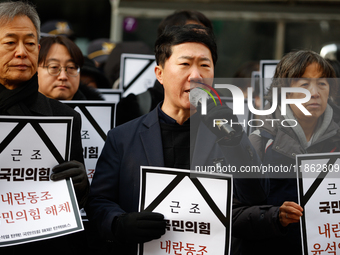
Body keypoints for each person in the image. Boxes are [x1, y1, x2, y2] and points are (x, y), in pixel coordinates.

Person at [85, 24, 268, 255]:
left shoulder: (229, 134)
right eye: (184, 64)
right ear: (159, 74)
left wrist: (233, 139)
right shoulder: (122, 138)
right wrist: (119, 223)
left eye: (204, 65)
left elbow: (257, 195)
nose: (196, 76)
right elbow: (99, 201)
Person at [0, 1, 88, 254]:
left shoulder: (64, 117)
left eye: (29, 43)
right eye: (10, 43)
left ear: (38, 50)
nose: (21, 52)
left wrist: (80, 186)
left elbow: (76, 207)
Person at [232, 50, 340, 255]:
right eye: (304, 84)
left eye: (322, 84)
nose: (314, 92)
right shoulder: (258, 142)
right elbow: (232, 215)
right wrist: (275, 217)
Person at [115, 10, 214, 126]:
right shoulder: (134, 106)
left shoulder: (222, 112)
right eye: (184, 36)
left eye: (203, 38)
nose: (196, 76)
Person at [38, 35, 103, 100]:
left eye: (71, 67)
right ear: (35, 70)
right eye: (54, 67)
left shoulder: (96, 108)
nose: (63, 77)